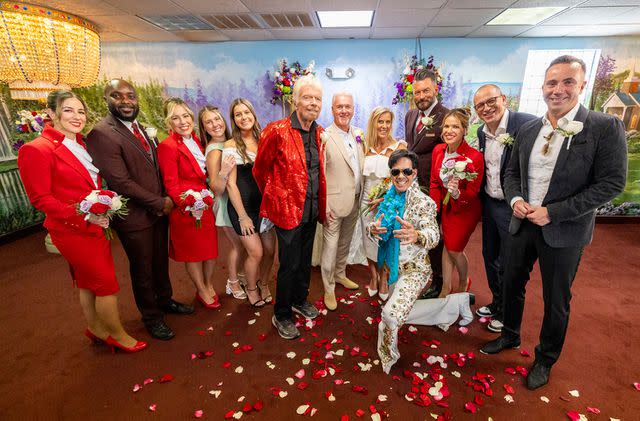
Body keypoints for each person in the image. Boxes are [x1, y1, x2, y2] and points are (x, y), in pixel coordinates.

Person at [480, 55, 628, 390]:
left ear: (582, 86)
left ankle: (545, 359)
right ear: (543, 86)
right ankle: (509, 335)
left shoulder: (604, 127)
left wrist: (554, 212)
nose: (558, 90)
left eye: (567, 82)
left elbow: (611, 184)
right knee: (510, 283)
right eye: (551, 83)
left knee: (556, 299)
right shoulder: (529, 128)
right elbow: (512, 173)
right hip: (522, 223)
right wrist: (516, 199)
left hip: (564, 230)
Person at [18, 90, 147, 353]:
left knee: (88, 281)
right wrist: (86, 214)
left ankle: (96, 328)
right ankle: (117, 334)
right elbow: (41, 199)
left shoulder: (81, 143)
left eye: (81, 111)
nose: (77, 117)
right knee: (106, 283)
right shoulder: (37, 150)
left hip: (94, 225)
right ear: (52, 114)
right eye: (68, 110)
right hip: (71, 229)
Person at [87, 79, 192, 342]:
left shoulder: (139, 128)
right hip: (135, 216)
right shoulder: (101, 133)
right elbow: (121, 181)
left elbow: (152, 167)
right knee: (142, 268)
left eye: (130, 96)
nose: (125, 101)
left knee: (159, 262)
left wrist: (166, 198)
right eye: (117, 95)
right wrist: (160, 202)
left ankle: (165, 300)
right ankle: (152, 317)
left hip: (157, 211)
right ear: (106, 99)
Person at [369, 149, 473, 374]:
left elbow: (434, 236)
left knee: (390, 314)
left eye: (406, 171)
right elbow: (375, 228)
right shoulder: (388, 196)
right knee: (401, 310)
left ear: (415, 173)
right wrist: (373, 229)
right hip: (393, 268)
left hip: (416, 270)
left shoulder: (424, 202)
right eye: (395, 171)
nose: (400, 176)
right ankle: (455, 305)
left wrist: (417, 235)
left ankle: (388, 356)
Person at [253, 74, 327, 340]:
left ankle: (299, 299)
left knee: (306, 261)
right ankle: (281, 313)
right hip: (287, 211)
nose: (313, 103)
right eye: (307, 97)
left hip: (311, 209)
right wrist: (277, 198)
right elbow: (260, 170)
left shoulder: (320, 132)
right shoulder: (277, 130)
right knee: (289, 264)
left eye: (317, 99)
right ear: (295, 101)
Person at [473, 84, 536, 333]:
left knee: (511, 263)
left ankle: (508, 315)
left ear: (504, 99)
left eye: (491, 101)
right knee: (490, 256)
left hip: (513, 206)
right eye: (480, 105)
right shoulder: (480, 132)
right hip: (490, 203)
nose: (487, 108)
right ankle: (497, 302)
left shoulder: (527, 124)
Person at [156, 98, 220, 309]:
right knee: (193, 254)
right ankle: (201, 289)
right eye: (176, 118)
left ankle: (209, 283)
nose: (182, 121)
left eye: (185, 116)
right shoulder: (168, 146)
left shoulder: (197, 140)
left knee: (209, 250)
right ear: (169, 123)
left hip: (206, 202)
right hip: (186, 209)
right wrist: (189, 203)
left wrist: (206, 197)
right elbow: (171, 185)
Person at [223, 98, 276, 307]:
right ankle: (251, 288)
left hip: (265, 206)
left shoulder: (264, 139)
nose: (244, 117)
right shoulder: (231, 145)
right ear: (234, 120)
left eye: (247, 112)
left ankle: (264, 284)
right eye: (238, 114)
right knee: (256, 252)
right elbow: (230, 185)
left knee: (271, 251)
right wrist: (243, 216)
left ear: (253, 114)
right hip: (241, 207)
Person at [429, 108, 484, 298]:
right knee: (446, 245)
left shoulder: (474, 157)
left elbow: (473, 192)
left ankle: (463, 279)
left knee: (454, 248)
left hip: (465, 209)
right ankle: (445, 287)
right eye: (446, 126)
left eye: (455, 126)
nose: (449, 130)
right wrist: (434, 208)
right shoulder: (438, 150)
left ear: (464, 130)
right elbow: (435, 182)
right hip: (445, 207)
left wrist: (457, 193)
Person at [404, 69, 449, 299]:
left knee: (435, 236)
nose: (421, 96)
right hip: (413, 188)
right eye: (417, 92)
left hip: (435, 190)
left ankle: (439, 281)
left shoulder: (446, 117)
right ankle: (418, 273)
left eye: (426, 91)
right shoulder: (410, 115)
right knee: (415, 234)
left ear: (435, 89)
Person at [320, 92, 363, 310]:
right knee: (330, 246)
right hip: (333, 204)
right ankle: (328, 288)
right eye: (339, 107)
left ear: (353, 109)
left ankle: (339, 274)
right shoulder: (325, 136)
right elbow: (321, 173)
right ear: (332, 109)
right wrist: (324, 204)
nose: (344, 111)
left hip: (356, 198)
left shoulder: (358, 134)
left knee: (345, 242)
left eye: (348, 106)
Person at [200, 105, 247, 300]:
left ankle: (241, 276)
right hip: (225, 203)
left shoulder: (229, 142)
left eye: (217, 119)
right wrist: (224, 171)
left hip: (236, 200)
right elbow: (217, 188)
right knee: (238, 246)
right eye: (208, 122)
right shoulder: (214, 151)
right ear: (204, 128)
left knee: (244, 245)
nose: (215, 124)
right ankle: (233, 282)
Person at [360, 106, 406, 300]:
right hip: (366, 202)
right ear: (373, 123)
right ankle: (373, 276)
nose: (384, 126)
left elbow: (403, 180)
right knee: (369, 241)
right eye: (380, 121)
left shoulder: (399, 147)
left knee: (385, 241)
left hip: (388, 202)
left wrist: (384, 199)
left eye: (388, 122)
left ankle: (385, 276)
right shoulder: (364, 147)